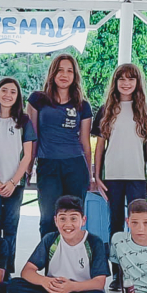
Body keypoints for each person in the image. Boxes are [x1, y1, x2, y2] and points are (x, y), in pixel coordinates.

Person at [92, 63, 147, 291]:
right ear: (115, 82)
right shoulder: (106, 110)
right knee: (115, 226)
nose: (126, 83)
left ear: (137, 82)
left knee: (139, 224)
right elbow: (100, 145)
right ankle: (118, 274)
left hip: (137, 177)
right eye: (121, 78)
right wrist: (97, 175)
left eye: (131, 79)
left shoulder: (146, 110)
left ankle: (137, 272)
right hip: (112, 176)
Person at [8, 195, 109, 293]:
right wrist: (44, 281)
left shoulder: (94, 242)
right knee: (14, 285)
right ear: (56, 221)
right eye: (62, 219)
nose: (68, 225)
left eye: (73, 218)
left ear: (83, 220)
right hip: (51, 289)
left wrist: (72, 287)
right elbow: (27, 271)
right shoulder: (50, 239)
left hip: (78, 292)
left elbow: (99, 282)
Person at [27, 53, 94, 237]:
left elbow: (85, 143)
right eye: (60, 70)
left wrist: (90, 175)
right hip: (48, 165)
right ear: (53, 73)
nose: (64, 75)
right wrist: (28, 167)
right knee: (48, 219)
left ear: (75, 75)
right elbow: (32, 138)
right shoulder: (37, 100)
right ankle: (49, 255)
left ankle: (71, 255)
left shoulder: (83, 105)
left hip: (75, 166)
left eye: (69, 71)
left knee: (74, 219)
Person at [0, 77, 36, 272]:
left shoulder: (24, 121)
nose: (8, 95)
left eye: (13, 91)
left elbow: (27, 155)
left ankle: (7, 271)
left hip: (15, 185)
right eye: (4, 90)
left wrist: (12, 182)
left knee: (10, 227)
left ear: (18, 96)